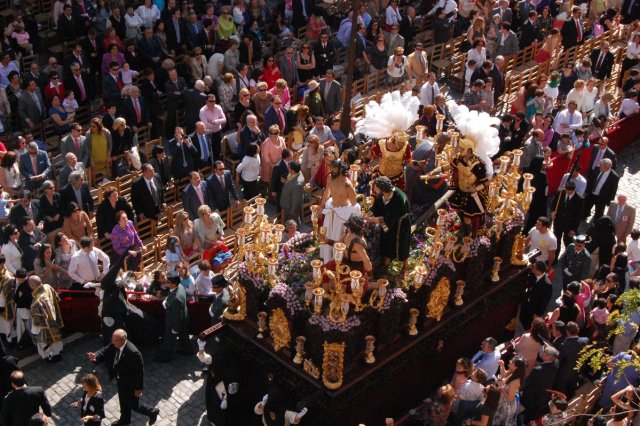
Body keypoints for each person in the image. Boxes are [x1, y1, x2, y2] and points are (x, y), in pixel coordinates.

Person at [87, 329, 160, 425]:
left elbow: (139, 372)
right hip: (121, 380)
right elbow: (106, 349)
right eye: (112, 340)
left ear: (123, 340)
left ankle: (152, 411)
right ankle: (125, 420)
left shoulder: (133, 353)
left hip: (131, 384)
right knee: (123, 401)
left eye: (115, 340)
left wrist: (138, 388)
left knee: (134, 405)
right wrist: (95, 355)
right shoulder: (115, 343)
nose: (112, 342)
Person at [318, 159, 360, 263]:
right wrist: (321, 206)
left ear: (341, 169)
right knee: (329, 234)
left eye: (333, 167)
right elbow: (327, 192)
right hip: (331, 210)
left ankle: (336, 260)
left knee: (337, 236)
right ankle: (328, 257)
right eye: (330, 167)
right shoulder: (330, 177)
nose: (331, 169)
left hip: (342, 215)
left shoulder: (347, 184)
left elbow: (354, 203)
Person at [367, 176, 411, 270]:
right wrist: (368, 214)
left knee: (401, 245)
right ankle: (387, 260)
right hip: (387, 221)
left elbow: (388, 220)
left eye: (376, 187)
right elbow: (376, 208)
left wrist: (370, 219)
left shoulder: (399, 199)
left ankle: (405, 265)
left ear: (383, 189)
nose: (374, 188)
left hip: (400, 224)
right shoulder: (381, 195)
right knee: (386, 240)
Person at [156, 271, 191, 362]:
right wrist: (167, 300)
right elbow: (171, 295)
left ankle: (166, 357)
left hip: (174, 322)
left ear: (174, 283)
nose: (165, 283)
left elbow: (176, 315)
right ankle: (187, 350)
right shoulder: (180, 287)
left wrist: (175, 329)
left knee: (169, 340)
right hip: (183, 318)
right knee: (183, 336)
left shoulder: (176, 298)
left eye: (168, 282)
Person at [520, 345, 559, 424]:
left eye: (544, 352)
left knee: (527, 417)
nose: (542, 352)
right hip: (544, 397)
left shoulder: (538, 370)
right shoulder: (556, 365)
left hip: (531, 398)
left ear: (548, 356)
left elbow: (526, 384)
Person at [29, 275, 63, 361]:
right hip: (54, 321)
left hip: (45, 328)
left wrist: (34, 333)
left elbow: (37, 322)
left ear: (32, 286)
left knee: (44, 343)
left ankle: (49, 357)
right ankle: (58, 354)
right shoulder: (48, 287)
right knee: (56, 340)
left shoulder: (36, 302)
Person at [519, 259, 552, 331]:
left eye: (533, 267)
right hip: (526, 305)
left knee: (529, 325)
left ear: (538, 270)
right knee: (522, 319)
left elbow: (545, 301)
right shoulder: (532, 275)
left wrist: (537, 314)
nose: (531, 268)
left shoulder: (547, 285)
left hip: (534, 309)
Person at [551, 180, 584, 251]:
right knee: (556, 240)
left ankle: (568, 256)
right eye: (567, 191)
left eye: (570, 191)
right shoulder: (560, 193)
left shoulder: (579, 200)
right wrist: (553, 212)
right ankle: (555, 258)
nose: (568, 193)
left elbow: (578, 216)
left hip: (569, 226)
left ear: (574, 190)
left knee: (567, 242)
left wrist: (574, 229)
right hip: (558, 222)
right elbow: (553, 205)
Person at [493, 356, 526, 426]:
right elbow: (504, 374)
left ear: (516, 367)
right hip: (503, 400)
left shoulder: (515, 381)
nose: (510, 361)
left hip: (506, 405)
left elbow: (510, 399)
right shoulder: (513, 371)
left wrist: (501, 387)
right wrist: (502, 365)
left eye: (512, 362)